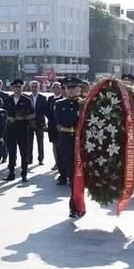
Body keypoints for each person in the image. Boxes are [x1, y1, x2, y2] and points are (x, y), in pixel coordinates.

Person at [54, 77, 84, 218]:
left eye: (74, 88)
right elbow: (63, 121)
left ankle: (78, 204)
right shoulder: (59, 104)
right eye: (68, 88)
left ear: (80, 89)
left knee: (80, 174)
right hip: (66, 141)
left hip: (81, 141)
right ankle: (75, 206)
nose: (71, 90)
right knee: (72, 174)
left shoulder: (84, 104)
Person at [3, 79, 34, 182]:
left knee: (24, 153)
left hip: (23, 129)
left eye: (20, 87)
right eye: (16, 87)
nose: (18, 89)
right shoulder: (7, 100)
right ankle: (11, 173)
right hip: (11, 129)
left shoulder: (27, 100)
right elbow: (3, 113)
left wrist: (23, 118)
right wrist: (9, 118)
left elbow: (33, 114)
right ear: (12, 88)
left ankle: (24, 173)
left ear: (22, 88)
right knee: (12, 153)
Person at [46, 81, 64, 182]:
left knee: (60, 144)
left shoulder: (63, 99)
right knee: (54, 144)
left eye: (58, 87)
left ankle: (61, 163)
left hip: (60, 125)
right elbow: (47, 111)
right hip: (52, 125)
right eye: (54, 87)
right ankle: (56, 162)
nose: (56, 89)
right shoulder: (50, 99)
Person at [27, 80, 48, 165]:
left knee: (40, 142)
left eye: (36, 86)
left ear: (39, 87)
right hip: (29, 123)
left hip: (40, 123)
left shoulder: (43, 98)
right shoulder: (27, 97)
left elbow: (44, 110)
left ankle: (40, 159)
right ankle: (29, 159)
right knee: (29, 141)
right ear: (30, 87)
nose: (34, 88)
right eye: (33, 86)